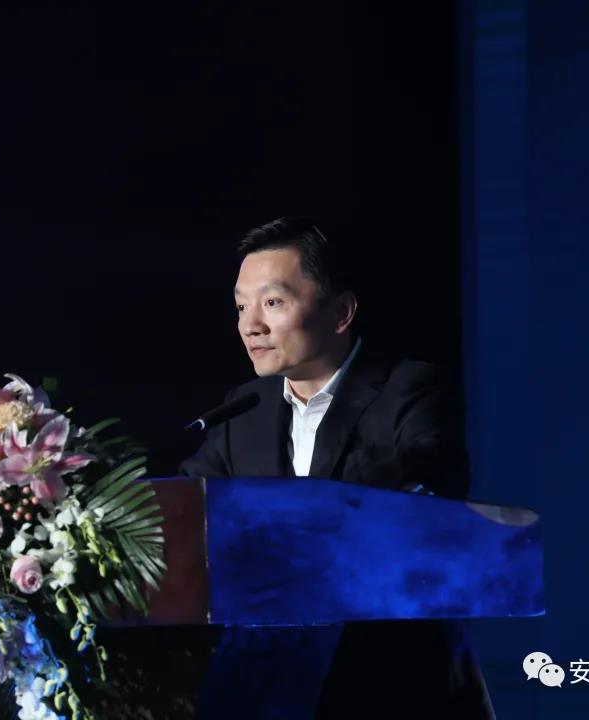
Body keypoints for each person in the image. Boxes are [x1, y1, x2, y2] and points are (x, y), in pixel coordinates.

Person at [178, 216, 497, 718]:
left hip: (394, 686)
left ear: (342, 311)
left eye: (272, 303)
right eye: (241, 306)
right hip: (271, 690)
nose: (250, 324)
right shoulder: (243, 410)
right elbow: (182, 512)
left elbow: (431, 495)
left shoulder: (408, 391)